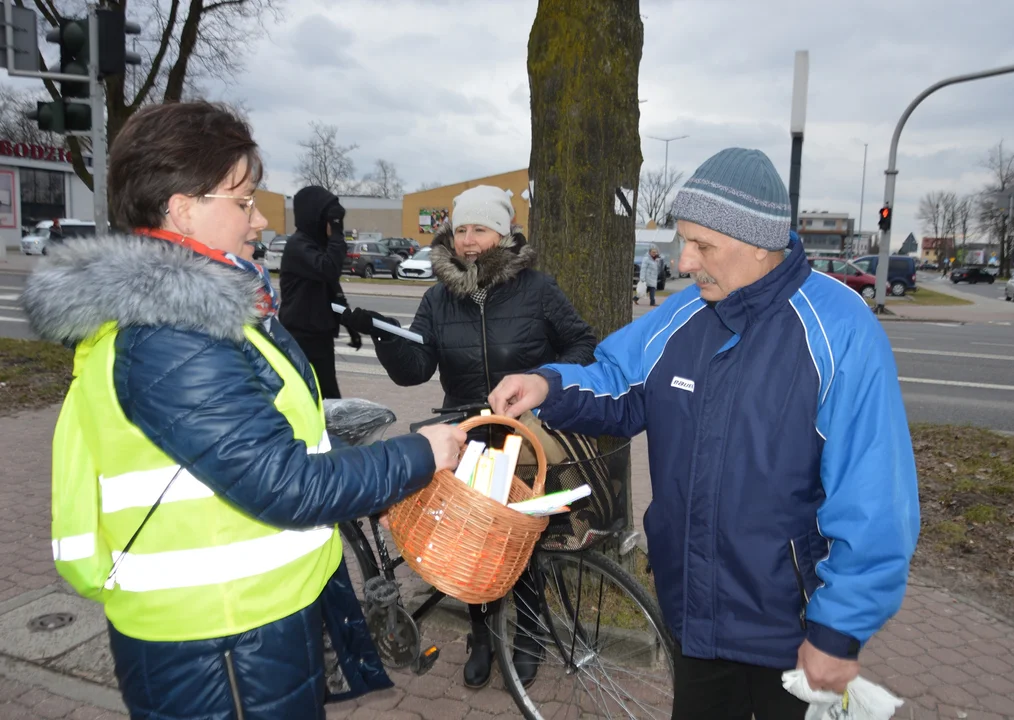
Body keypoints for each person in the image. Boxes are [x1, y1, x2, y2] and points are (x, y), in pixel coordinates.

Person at [20, 100, 465, 720]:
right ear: (181, 206)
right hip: (219, 636)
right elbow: (281, 484)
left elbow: (273, 447)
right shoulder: (171, 331)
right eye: (242, 200)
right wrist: (422, 454)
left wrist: (366, 474)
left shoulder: (204, 310)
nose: (258, 220)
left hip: (242, 621)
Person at [487, 148, 920, 719]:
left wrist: (839, 629)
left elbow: (875, 500)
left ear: (760, 244)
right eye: (683, 240)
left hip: (788, 629)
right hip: (693, 611)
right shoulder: (685, 314)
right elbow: (620, 379)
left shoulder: (840, 330)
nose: (685, 261)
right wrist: (548, 386)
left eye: (702, 245)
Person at [345, 184, 597, 690]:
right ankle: (483, 636)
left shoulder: (537, 289)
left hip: (525, 436)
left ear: (501, 233)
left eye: (479, 229)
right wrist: (383, 335)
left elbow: (583, 343)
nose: (468, 240)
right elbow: (416, 369)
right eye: (461, 230)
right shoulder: (439, 299)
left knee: (521, 542)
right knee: (476, 544)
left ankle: (528, 635)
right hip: (468, 437)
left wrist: (542, 381)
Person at [279, 186, 362, 399]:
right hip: (301, 336)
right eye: (329, 220)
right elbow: (329, 269)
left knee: (328, 396)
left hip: (319, 334)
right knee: (311, 395)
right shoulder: (298, 246)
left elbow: (333, 289)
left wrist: (349, 324)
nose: (333, 227)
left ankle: (329, 432)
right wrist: (336, 233)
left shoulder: (315, 246)